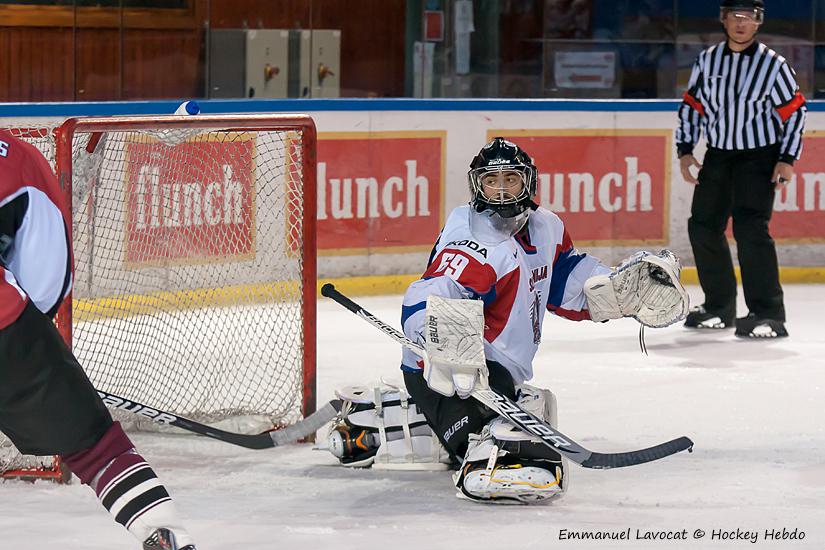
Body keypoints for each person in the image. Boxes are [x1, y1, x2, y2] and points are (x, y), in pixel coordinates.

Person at [397, 137, 688, 503]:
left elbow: (564, 281)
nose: (502, 191)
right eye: (492, 181)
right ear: (477, 186)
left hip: (498, 373)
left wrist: (615, 291)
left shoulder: (546, 226)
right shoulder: (474, 239)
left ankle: (419, 422)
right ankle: (458, 437)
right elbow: (434, 291)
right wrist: (437, 337)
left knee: (511, 397)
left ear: (529, 182)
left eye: (511, 179)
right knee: (493, 435)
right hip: (447, 374)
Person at [0, 130, 196, 550]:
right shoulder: (14, 156)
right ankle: (165, 534)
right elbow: (47, 274)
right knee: (96, 449)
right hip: (6, 329)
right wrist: (34, 345)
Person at [676, 0, 806, 338]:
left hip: (759, 158)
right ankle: (719, 307)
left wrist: (787, 158)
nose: (741, 23)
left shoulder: (773, 65)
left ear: (759, 22)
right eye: (735, 15)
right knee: (703, 226)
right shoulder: (707, 60)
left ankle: (768, 313)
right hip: (718, 155)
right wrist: (685, 150)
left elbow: (795, 112)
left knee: (750, 230)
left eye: (749, 17)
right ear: (723, 18)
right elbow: (692, 106)